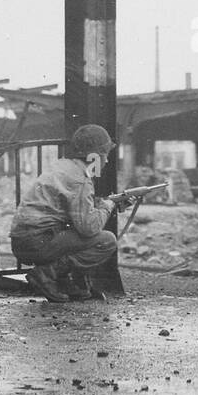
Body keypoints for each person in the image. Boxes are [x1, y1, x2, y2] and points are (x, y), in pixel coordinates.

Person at [10, 124, 125, 303]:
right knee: (107, 240)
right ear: (94, 157)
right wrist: (108, 205)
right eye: (105, 155)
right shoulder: (81, 180)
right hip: (38, 242)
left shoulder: (64, 166)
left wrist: (101, 204)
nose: (107, 161)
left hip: (24, 240)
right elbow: (89, 228)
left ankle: (67, 282)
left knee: (77, 235)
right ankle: (46, 275)